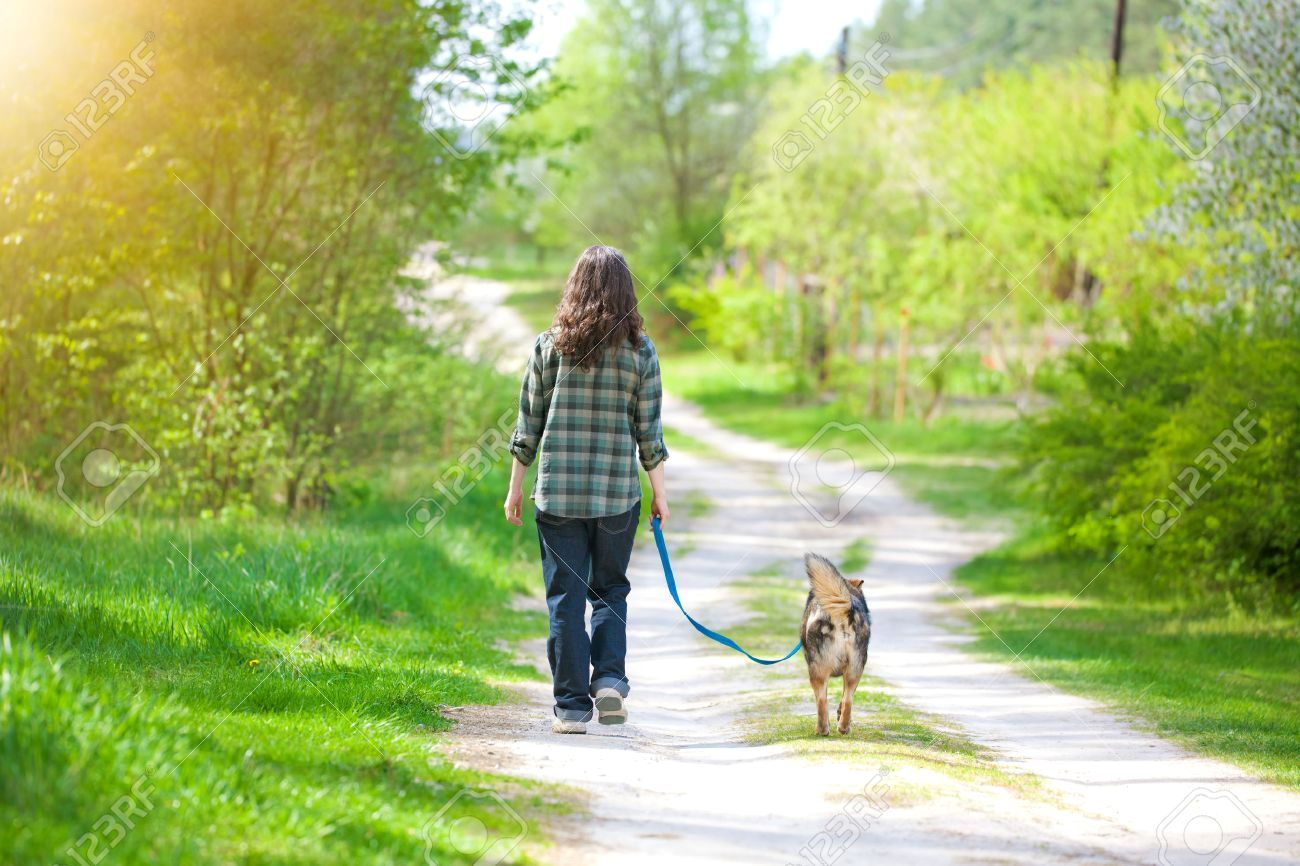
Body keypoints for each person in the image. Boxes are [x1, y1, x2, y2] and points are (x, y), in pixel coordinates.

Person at [504, 244, 669, 735]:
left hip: (558, 495)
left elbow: (527, 426)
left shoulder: (548, 346)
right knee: (610, 589)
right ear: (626, 292)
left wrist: (515, 489)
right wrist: (659, 494)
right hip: (617, 497)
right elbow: (649, 433)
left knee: (565, 599)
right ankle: (610, 680)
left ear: (574, 286)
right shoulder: (641, 352)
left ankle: (572, 708)